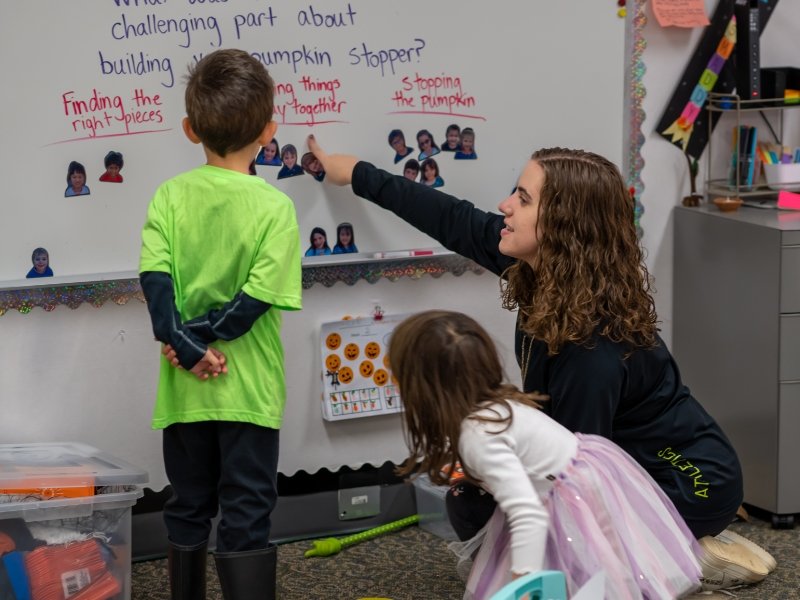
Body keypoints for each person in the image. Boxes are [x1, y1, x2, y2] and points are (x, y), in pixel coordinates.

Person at [304, 136, 775, 591]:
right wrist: (356, 174)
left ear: (563, 226)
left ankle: (682, 552)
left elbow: (574, 484)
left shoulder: (593, 349)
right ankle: (667, 549)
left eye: (524, 199)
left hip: (692, 480)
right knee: (474, 499)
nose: (506, 206)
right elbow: (449, 217)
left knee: (484, 505)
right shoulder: (537, 263)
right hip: (621, 460)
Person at [138, 49, 302, 600]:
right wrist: (201, 341)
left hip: (186, 390)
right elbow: (254, 299)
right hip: (249, 391)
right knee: (247, 512)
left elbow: (156, 290)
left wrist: (185, 346)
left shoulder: (168, 196)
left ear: (189, 130)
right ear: (269, 130)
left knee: (187, 507)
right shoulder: (275, 207)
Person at [392, 310, 702, 599]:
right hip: (580, 480)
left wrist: (523, 582)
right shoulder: (496, 407)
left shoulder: (479, 435)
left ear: (421, 387)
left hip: (566, 498)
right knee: (603, 568)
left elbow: (527, 512)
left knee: (592, 572)